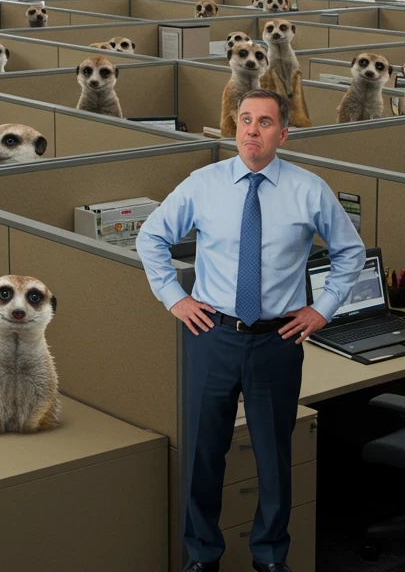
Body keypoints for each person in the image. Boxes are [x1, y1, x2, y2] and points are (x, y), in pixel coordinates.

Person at [136, 88, 365, 572]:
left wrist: (321, 309)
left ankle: (270, 558)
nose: (251, 131)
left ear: (283, 133)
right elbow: (151, 236)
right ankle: (202, 557)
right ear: (233, 127)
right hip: (211, 336)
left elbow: (350, 253)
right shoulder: (204, 183)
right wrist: (174, 298)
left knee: (274, 458)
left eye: (264, 122)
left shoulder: (308, 189)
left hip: (276, 341)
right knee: (202, 455)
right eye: (244, 120)